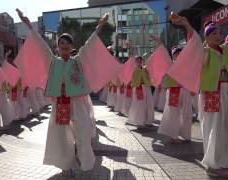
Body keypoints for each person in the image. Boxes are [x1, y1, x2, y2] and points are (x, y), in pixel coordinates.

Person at [16, 9, 121, 174]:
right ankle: (66, 166)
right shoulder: (52, 61)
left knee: (83, 133)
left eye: (67, 44)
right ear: (57, 48)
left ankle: (86, 162)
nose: (64, 46)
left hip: (76, 101)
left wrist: (99, 28)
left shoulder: (78, 61)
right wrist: (29, 26)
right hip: (59, 103)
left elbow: (89, 45)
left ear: (72, 47)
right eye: (61, 44)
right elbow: (41, 45)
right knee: (60, 136)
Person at [169, 10, 228, 177]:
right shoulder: (205, 52)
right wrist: (186, 24)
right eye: (213, 33)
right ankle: (213, 165)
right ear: (206, 37)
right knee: (214, 128)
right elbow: (195, 45)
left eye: (219, 33)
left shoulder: (227, 49)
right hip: (211, 94)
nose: (218, 35)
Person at [158, 47, 193, 143]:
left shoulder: (187, 66)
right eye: (177, 54)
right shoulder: (169, 65)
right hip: (174, 91)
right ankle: (173, 135)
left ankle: (186, 135)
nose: (179, 56)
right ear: (173, 55)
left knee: (186, 113)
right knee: (173, 114)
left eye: (181, 54)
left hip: (185, 91)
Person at [127, 56, 154, 128]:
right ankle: (139, 122)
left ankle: (148, 121)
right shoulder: (134, 69)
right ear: (135, 62)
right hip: (139, 88)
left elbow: (150, 75)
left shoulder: (145, 69)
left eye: (140, 60)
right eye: (138, 60)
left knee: (149, 104)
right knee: (139, 105)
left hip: (147, 87)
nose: (139, 62)